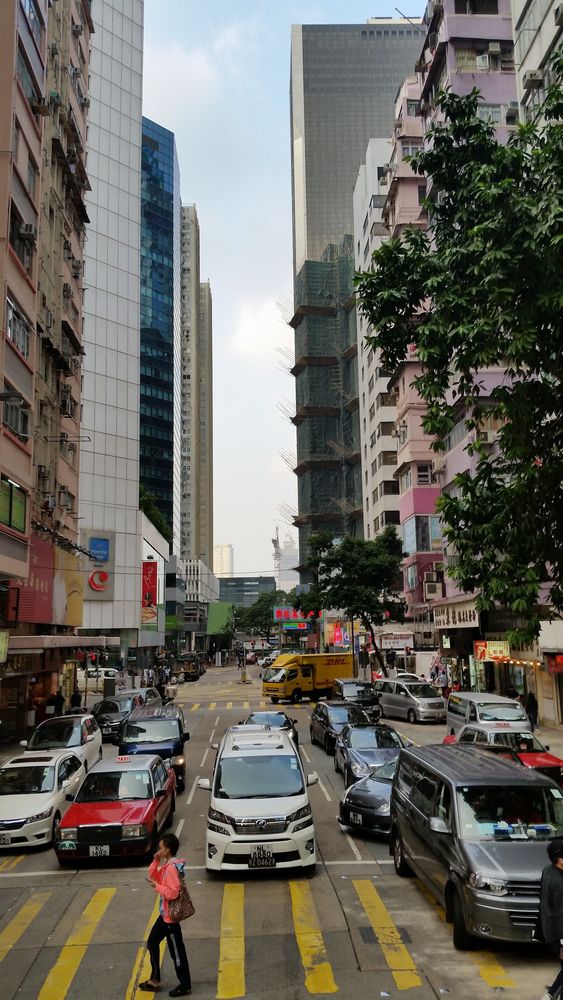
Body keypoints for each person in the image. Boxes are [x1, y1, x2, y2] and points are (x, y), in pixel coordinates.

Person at [141, 833, 192, 997]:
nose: (159, 850)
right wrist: (156, 860)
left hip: (170, 918)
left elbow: (173, 893)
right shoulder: (168, 865)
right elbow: (154, 876)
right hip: (165, 916)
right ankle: (155, 979)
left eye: (161, 848)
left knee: (177, 953)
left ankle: (184, 985)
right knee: (152, 943)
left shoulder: (171, 869)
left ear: (168, 849)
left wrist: (157, 887)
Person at [539, 839, 563, 1000]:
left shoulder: (548, 870)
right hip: (559, 935)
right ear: (559, 859)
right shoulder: (559, 883)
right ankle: (551, 995)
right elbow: (559, 915)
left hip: (552, 934)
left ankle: (551, 994)